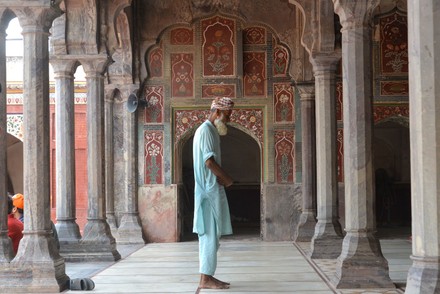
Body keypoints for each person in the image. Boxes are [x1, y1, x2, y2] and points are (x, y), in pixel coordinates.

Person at [193, 97, 235, 290]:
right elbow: (209, 162)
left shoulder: (209, 131)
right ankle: (205, 278)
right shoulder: (206, 131)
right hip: (208, 192)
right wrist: (227, 179)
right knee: (209, 234)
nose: (229, 119)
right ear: (217, 112)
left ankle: (207, 276)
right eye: (227, 115)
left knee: (212, 234)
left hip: (210, 190)